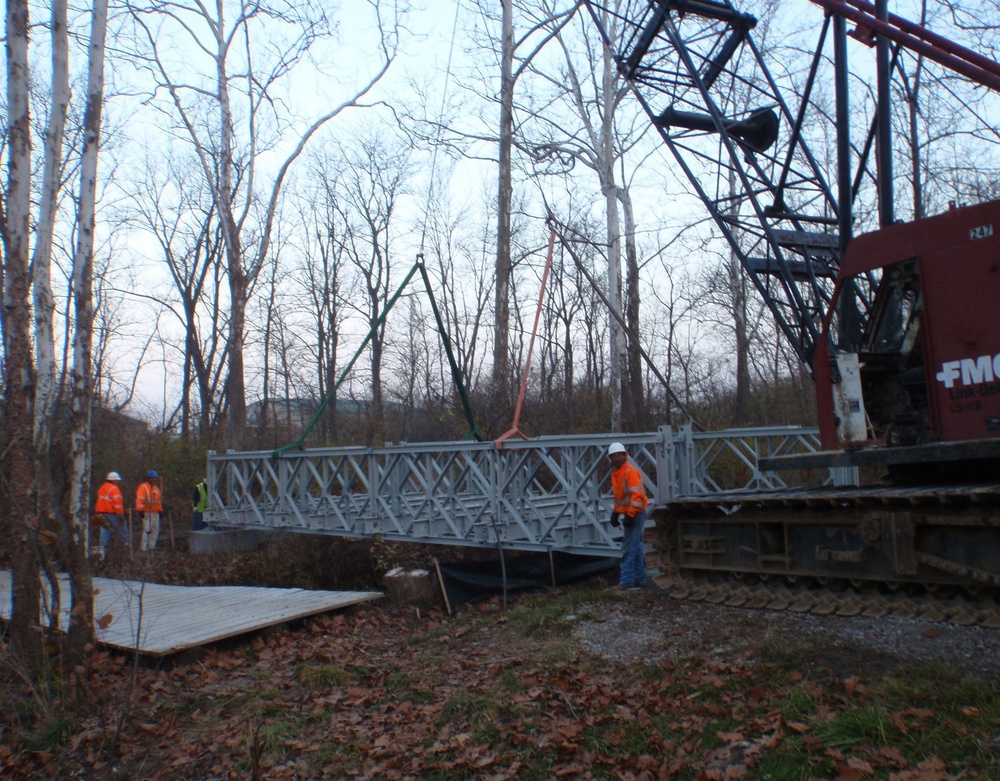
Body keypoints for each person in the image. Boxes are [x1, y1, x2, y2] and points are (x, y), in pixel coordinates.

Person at [607, 442, 650, 591]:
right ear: (610, 458)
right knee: (636, 546)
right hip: (630, 512)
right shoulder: (616, 473)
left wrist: (631, 515)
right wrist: (616, 512)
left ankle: (626, 581)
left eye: (620, 455)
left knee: (627, 548)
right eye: (614, 456)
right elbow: (621, 497)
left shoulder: (629, 471)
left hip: (636, 513)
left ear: (625, 456)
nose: (617, 458)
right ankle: (640, 579)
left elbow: (637, 495)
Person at [94, 471, 129, 556]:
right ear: (113, 480)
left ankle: (101, 553)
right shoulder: (114, 489)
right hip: (111, 513)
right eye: (117, 480)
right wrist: (120, 515)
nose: (118, 482)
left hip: (101, 513)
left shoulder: (102, 488)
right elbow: (117, 504)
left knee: (104, 531)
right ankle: (127, 547)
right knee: (122, 529)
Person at [136, 470, 164, 551]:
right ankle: (143, 547)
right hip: (146, 512)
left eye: (155, 479)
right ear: (148, 479)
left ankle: (152, 546)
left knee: (155, 529)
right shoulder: (143, 487)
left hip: (155, 512)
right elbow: (139, 500)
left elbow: (158, 501)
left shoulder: (156, 488)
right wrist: (140, 511)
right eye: (152, 478)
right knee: (147, 529)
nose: (153, 480)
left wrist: (160, 510)